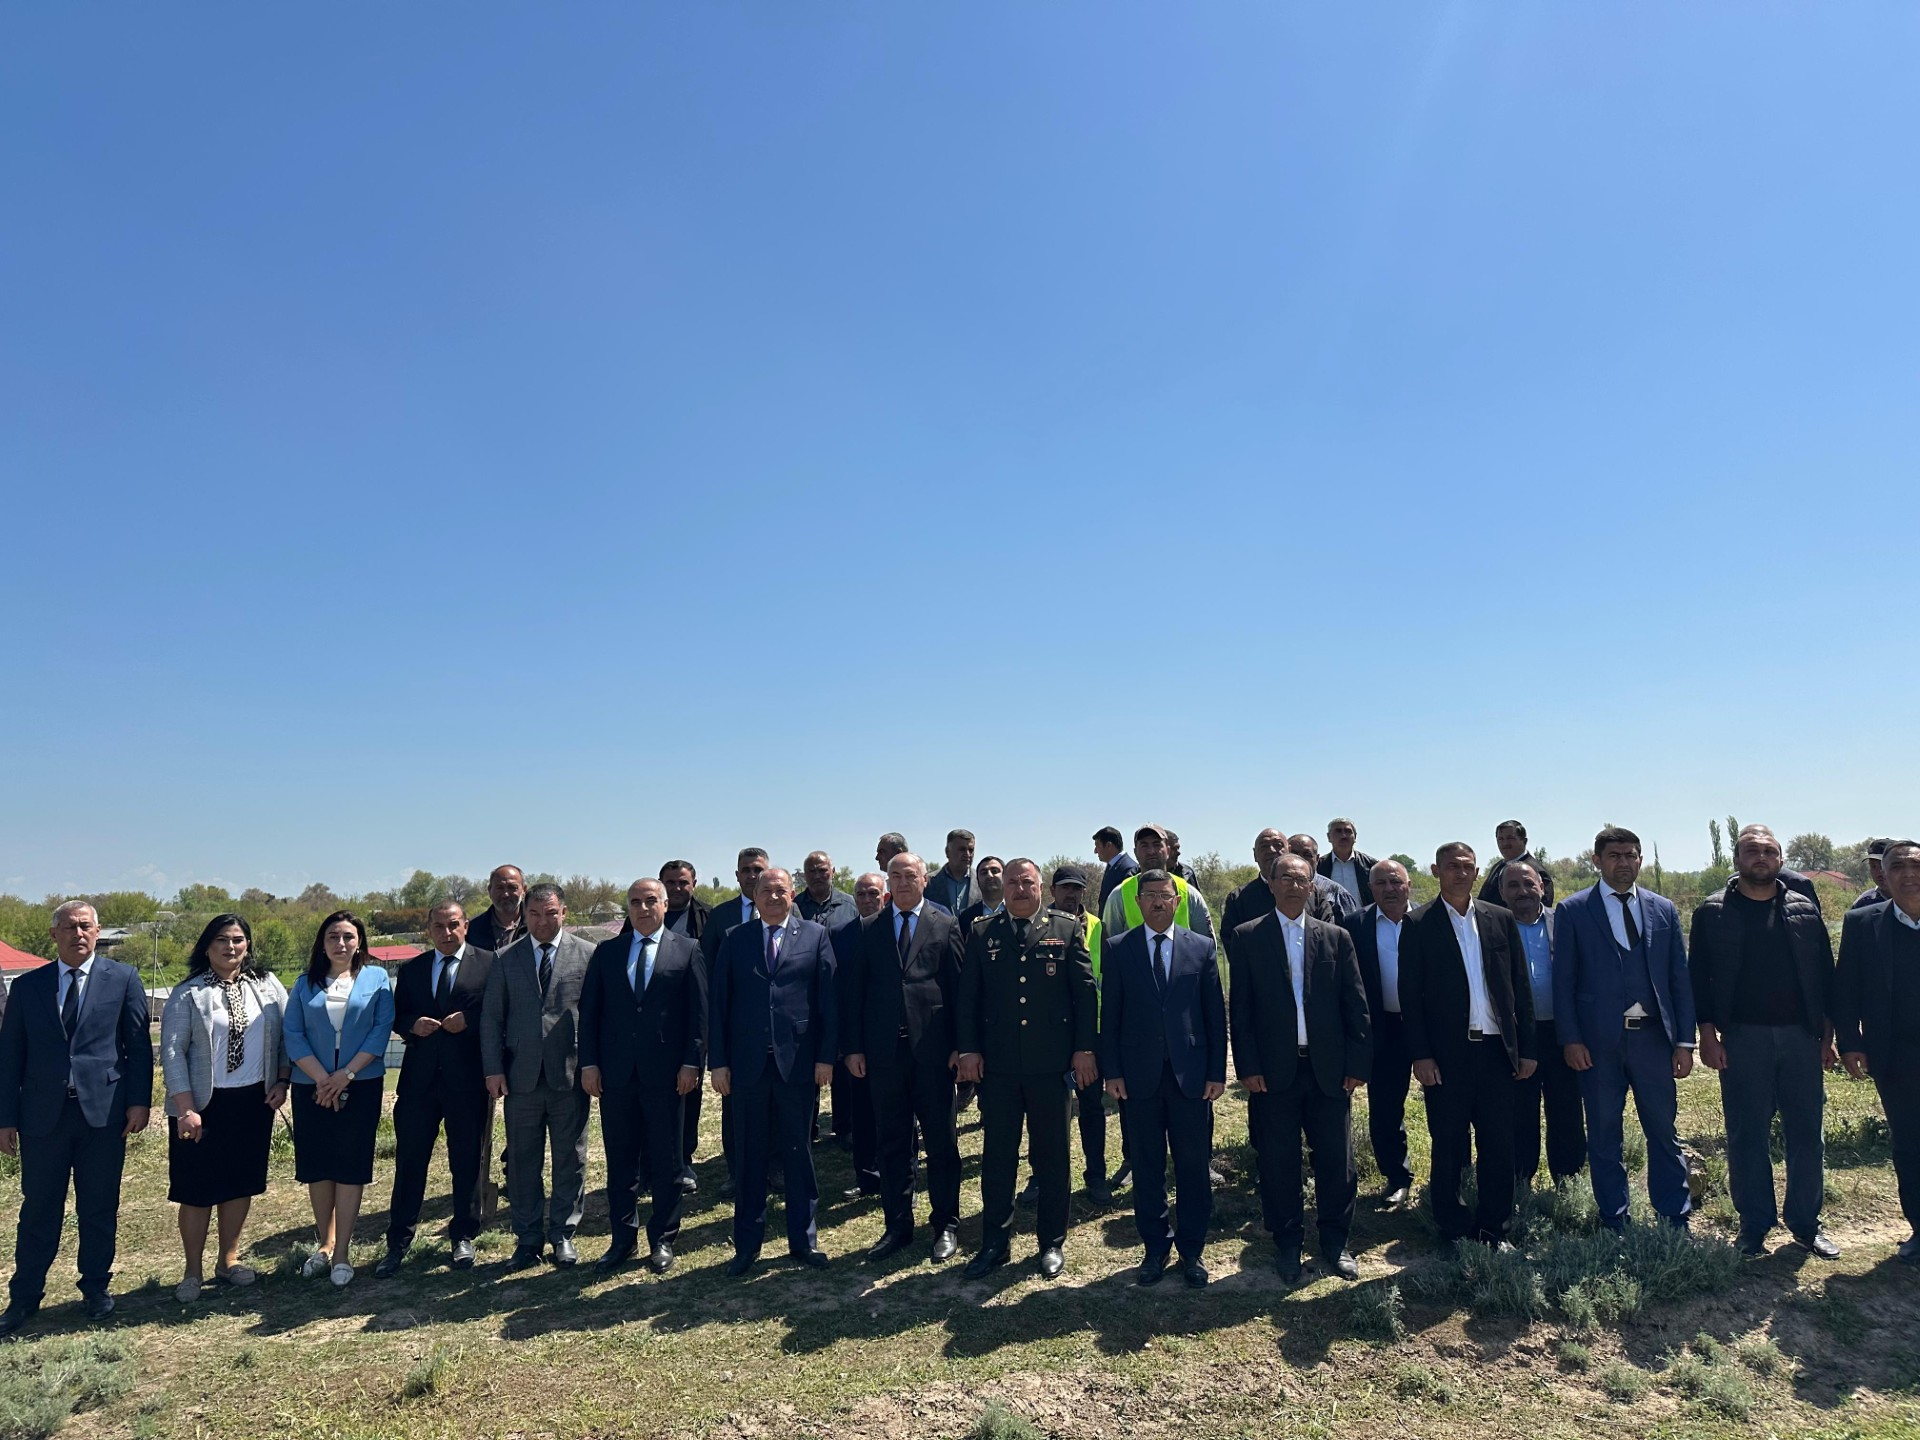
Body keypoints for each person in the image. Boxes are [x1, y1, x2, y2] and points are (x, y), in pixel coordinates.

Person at [0, 901, 153, 1338]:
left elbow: (138, 1046)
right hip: (42, 1117)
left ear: (98, 931)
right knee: (38, 1209)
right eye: (69, 927)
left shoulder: (123, 979)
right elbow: (10, 1056)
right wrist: (5, 1117)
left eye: (86, 926)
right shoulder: (28, 987)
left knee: (99, 1206)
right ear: (54, 935)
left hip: (103, 1116)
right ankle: (24, 1296)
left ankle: (95, 1288)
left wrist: (139, 1102)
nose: (78, 934)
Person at [1690, 825, 1838, 1257]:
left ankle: (1806, 1224)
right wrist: (1707, 1034)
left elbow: (1824, 976)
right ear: (1737, 859)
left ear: (1781, 859)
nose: (1761, 857)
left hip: (1800, 1037)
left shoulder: (1804, 909)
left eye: (1769, 851)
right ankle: (1754, 1225)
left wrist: (1828, 1035)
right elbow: (1698, 977)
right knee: (1746, 1134)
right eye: (1752, 851)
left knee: (1807, 1133)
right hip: (1742, 1038)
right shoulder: (1712, 912)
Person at [956, 859, 1098, 1281]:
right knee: (998, 1158)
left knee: (1052, 1157)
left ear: (1041, 888)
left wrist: (1084, 1049)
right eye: (1013, 882)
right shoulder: (983, 932)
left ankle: (1051, 1242)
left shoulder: (1066, 929)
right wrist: (969, 1050)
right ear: (1003, 888)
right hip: (998, 1067)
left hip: (1050, 1065)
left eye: (1027, 882)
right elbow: (968, 997)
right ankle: (994, 1244)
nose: (1019, 889)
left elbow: (1085, 995)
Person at [1232, 853, 1370, 1282]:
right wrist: (1248, 1066)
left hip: (1329, 1070)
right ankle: (1287, 1242)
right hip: (1274, 1072)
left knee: (1336, 1160)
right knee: (1279, 1161)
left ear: (1313, 887)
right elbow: (1242, 1011)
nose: (1294, 885)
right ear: (1271, 883)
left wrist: (1356, 1062)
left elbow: (1356, 1006)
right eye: (1285, 878)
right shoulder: (1248, 936)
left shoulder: (1336, 938)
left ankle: (1335, 1241)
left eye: (1301, 879)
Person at [1551, 826, 1696, 1231]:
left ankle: (1674, 1215)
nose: (1624, 862)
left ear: (1640, 860)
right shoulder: (1574, 910)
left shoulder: (1663, 909)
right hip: (1598, 1044)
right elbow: (1563, 981)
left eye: (1631, 855)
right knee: (1603, 1133)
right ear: (1596, 860)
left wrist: (1685, 1042)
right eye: (1614, 855)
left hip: (1653, 1040)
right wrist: (1571, 1039)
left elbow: (1679, 979)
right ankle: (1614, 1218)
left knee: (1663, 1131)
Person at [1400, 843, 1535, 1246]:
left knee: (1499, 1144)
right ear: (1436, 870)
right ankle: (1453, 1228)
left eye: (1467, 867)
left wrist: (1527, 1048)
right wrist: (1421, 1054)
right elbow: (1410, 997)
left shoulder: (1500, 918)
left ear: (1477, 873)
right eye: (1452, 866)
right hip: (1447, 1056)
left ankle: (1495, 1229)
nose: (1460, 873)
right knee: (1448, 1144)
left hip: (1496, 1052)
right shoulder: (1418, 923)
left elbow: (1520, 987)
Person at [710, 869, 837, 1275]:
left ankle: (804, 1240)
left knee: (798, 1153)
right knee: (749, 1157)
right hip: (747, 1067)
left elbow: (828, 1001)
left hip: (797, 1065)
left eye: (781, 890)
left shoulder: (815, 936)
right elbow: (719, 1003)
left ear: (792, 894)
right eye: (765, 890)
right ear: (754, 895)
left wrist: (825, 1057)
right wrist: (719, 1062)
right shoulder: (736, 938)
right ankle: (747, 1246)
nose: (773, 896)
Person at [1103, 871, 1226, 1287]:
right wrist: (1113, 1071)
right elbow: (1111, 1016)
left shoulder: (1201, 948)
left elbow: (1214, 1015)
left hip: (1191, 1077)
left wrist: (1216, 1072)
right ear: (1138, 902)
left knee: (1193, 1166)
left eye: (1165, 895)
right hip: (1139, 1078)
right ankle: (1155, 1249)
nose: (1157, 902)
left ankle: (1192, 1250)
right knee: (1147, 1167)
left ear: (1177, 902)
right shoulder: (1118, 948)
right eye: (1150, 895)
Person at [842, 853, 966, 1264]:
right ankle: (897, 1225)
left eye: (909, 875)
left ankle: (946, 1224)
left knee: (941, 1142)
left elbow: (959, 990)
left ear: (924, 879)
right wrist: (854, 1048)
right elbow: (855, 993)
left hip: (933, 1054)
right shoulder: (869, 928)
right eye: (894, 875)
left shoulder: (945, 924)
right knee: (892, 1143)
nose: (902, 881)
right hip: (884, 1056)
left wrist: (960, 1045)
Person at [160, 914, 290, 1301]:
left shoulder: (267, 986)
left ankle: (228, 1260)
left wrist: (282, 1081)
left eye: (237, 939)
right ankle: (192, 1271)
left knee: (239, 1184)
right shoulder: (189, 993)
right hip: (202, 1104)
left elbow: (286, 1037)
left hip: (253, 1101)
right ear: (206, 946)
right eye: (221, 939)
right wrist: (185, 1107)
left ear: (247, 945)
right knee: (196, 1190)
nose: (230, 947)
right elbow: (172, 1052)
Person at [580, 878, 707, 1276]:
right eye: (635, 902)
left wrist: (692, 1063)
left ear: (665, 905)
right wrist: (589, 1063)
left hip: (667, 1075)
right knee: (621, 1161)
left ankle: (663, 1238)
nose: (643, 908)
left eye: (651, 900)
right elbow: (590, 1013)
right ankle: (622, 1239)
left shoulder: (687, 950)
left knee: (667, 1160)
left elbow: (699, 1015)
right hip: (616, 1075)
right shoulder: (608, 952)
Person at [377, 900, 495, 1277]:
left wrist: (470, 1020)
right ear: (429, 929)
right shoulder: (413, 969)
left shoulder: (489, 963)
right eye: (439, 926)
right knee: (410, 1162)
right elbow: (397, 1016)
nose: (447, 932)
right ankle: (399, 1240)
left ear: (466, 926)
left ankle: (463, 1235)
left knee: (467, 1162)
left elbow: (500, 1014)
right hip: (419, 1083)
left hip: (468, 1082)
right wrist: (412, 1025)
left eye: (454, 925)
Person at [482, 883, 594, 1270]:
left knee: (570, 1158)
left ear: (564, 913)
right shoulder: (505, 958)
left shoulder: (587, 954)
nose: (542, 922)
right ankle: (528, 1238)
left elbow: (596, 1016)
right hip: (521, 1077)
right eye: (534, 914)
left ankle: (563, 1234)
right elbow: (492, 1019)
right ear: (524, 915)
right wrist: (493, 1069)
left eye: (550, 914)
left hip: (570, 1075)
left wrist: (593, 1065)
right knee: (522, 1161)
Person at [284, 910, 394, 1286]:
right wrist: (323, 1080)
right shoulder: (304, 984)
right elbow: (293, 1034)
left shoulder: (377, 979)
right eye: (333, 936)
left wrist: (345, 1075)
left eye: (348, 936)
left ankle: (343, 1251)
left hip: (360, 1083)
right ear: (322, 943)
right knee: (318, 1166)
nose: (341, 943)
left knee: (349, 1166)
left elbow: (380, 1030)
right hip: (311, 1086)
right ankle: (325, 1244)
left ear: (360, 942)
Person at [1833, 839, 1920, 1263]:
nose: (1909, 874)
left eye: (1916, 865)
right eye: (1898, 866)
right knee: (1909, 1143)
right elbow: (1846, 988)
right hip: (1896, 1054)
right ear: (1883, 874)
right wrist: (1850, 1042)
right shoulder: (1862, 923)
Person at [1500, 858, 1586, 1191]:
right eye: (1513, 885)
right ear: (1502, 892)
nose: (1522, 891)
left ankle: (1568, 1181)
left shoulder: (1565, 922)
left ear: (1542, 887)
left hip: (1563, 1032)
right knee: (1519, 1112)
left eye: (1528, 884)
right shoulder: (1492, 926)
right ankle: (1520, 1181)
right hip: (1516, 1035)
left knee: (1566, 1109)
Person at [1340, 859, 1417, 1206]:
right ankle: (1397, 1177)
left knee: (1448, 1104)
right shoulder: (1354, 924)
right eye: (1381, 883)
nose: (1389, 889)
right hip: (1383, 1027)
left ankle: (1455, 1175)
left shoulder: (1429, 920)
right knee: (1385, 1107)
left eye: (1396, 882)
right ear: (1370, 888)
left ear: (1408, 885)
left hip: (1429, 1026)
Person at [698, 848, 771, 1196]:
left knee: (777, 1104)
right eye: (747, 870)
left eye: (758, 869)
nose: (752, 876)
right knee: (736, 1104)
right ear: (737, 875)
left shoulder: (789, 909)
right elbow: (707, 969)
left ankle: (776, 1168)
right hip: (736, 1026)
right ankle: (736, 1170)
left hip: (775, 1026)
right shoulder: (721, 916)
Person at [1050, 865, 1115, 1205]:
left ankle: (1096, 1175)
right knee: (1048, 1111)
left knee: (1091, 1107)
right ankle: (1042, 1176)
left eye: (1076, 888)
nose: (1071, 894)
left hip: (1092, 1032)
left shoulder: (1099, 928)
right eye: (1064, 888)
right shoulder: (1041, 926)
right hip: (1052, 1032)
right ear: (1052, 891)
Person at [828, 872, 886, 1195]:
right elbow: (836, 990)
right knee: (861, 1110)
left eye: (873, 893)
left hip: (892, 1037)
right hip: (857, 1038)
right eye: (861, 894)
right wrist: (844, 1042)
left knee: (895, 1113)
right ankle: (866, 1177)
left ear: (884, 897)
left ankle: (898, 1177)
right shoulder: (839, 934)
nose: (867, 900)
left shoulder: (896, 929)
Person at [1103, 826, 1214, 940]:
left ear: (1168, 851)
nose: (1151, 851)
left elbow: (1207, 944)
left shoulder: (1189, 893)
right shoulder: (1119, 895)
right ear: (1135, 852)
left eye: (1157, 844)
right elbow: (1109, 945)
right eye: (1144, 845)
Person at [1479, 821, 1556, 907]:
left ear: (1524, 841)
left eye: (1510, 838)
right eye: (1500, 839)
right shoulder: (1497, 867)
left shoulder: (1536, 870)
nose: (1505, 843)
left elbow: (1543, 906)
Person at [1286, 835, 1360, 921]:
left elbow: (1350, 927)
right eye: (1294, 854)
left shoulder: (1337, 894)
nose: (1300, 859)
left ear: (1317, 859)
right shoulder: (1276, 888)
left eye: (1307, 855)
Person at [1319, 818, 1379, 908]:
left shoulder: (1372, 865)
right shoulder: (1319, 866)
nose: (1343, 836)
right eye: (1338, 831)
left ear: (1355, 836)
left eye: (1348, 831)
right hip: (1331, 916)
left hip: (1364, 916)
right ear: (1329, 837)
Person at [467, 864, 528, 952]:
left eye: (512, 887)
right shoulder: (471, 929)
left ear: (524, 890)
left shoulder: (536, 926)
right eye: (499, 888)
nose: (505, 894)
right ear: (489, 890)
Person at [796, 851, 856, 929]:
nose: (817, 876)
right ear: (805, 874)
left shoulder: (851, 905)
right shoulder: (794, 907)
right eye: (812, 871)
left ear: (833, 872)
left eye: (822, 870)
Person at [925, 830, 979, 915]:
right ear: (947, 852)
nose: (967, 854)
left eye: (971, 850)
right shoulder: (929, 882)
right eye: (962, 849)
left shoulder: (981, 881)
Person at [659, 859, 711, 939]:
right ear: (660, 884)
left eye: (683, 883)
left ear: (693, 884)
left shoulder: (709, 916)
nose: (677, 888)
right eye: (671, 883)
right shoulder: (644, 914)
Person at [955, 856, 1007, 933]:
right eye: (984, 873)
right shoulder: (965, 917)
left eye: (994, 871)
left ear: (1005, 876)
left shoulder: (1019, 910)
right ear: (977, 880)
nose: (989, 876)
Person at [1093, 826, 1139, 908]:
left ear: (1108, 846)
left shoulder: (1129, 870)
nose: (1095, 851)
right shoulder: (1113, 866)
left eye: (1097, 846)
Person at [1852, 839, 1891, 911]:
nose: (1879, 872)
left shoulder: (1911, 899)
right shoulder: (1863, 903)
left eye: (1883, 866)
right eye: (1873, 866)